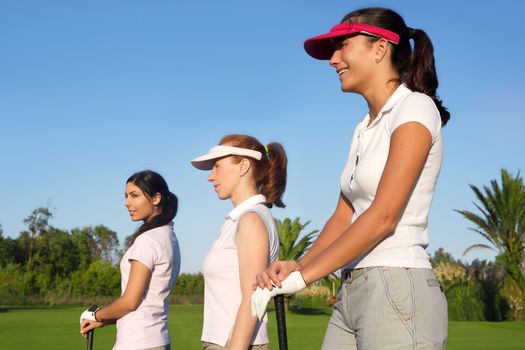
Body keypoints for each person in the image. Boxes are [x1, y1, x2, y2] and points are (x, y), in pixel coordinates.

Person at [254, 7, 450, 349]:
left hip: (398, 286)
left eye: (343, 45)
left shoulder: (414, 108)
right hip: (353, 287)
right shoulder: (363, 128)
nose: (333, 59)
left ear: (380, 48)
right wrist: (297, 266)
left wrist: (304, 277)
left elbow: (384, 216)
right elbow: (343, 216)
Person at [191, 134, 287, 350]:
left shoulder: (251, 220)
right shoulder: (240, 219)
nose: (211, 177)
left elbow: (252, 297)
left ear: (243, 165)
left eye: (217, 167)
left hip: (236, 343)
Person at [80, 170, 181, 350]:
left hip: (138, 343)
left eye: (134, 195)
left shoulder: (148, 240)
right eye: (126, 196)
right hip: (156, 339)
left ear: (156, 198)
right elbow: (145, 303)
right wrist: (105, 320)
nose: (127, 203)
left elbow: (130, 302)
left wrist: (97, 315)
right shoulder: (168, 235)